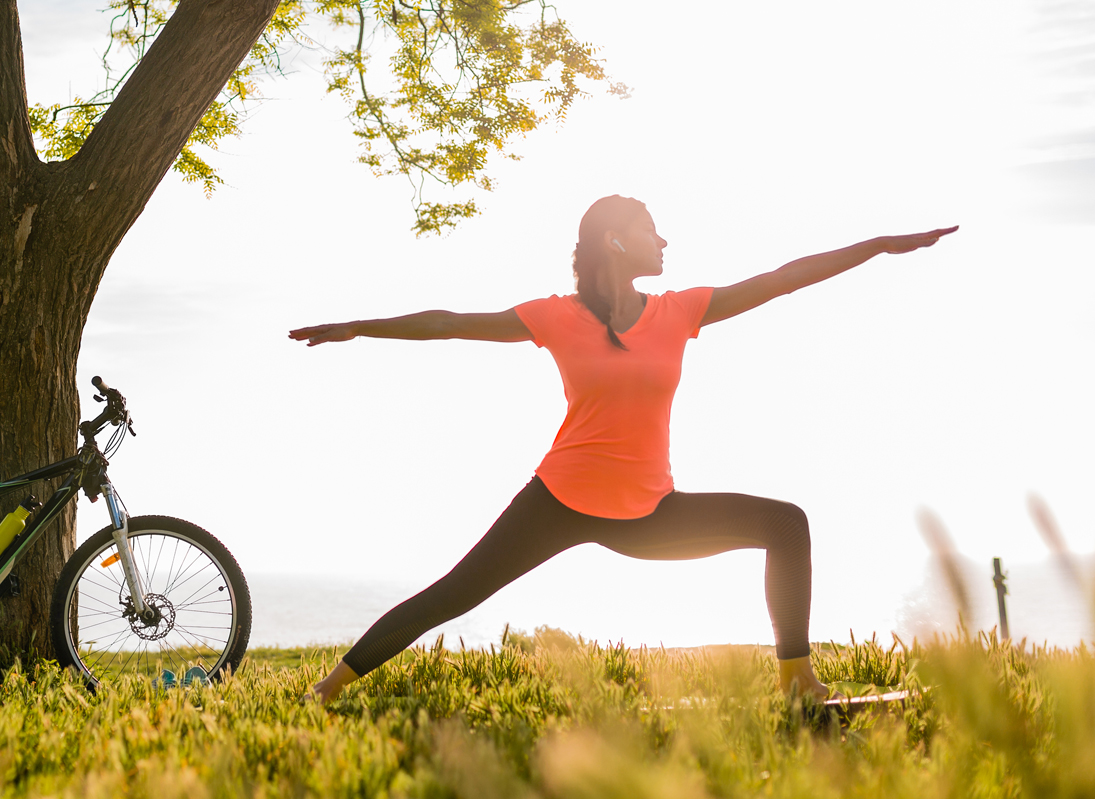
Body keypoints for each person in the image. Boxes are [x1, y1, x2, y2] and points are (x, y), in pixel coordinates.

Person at [288, 195, 957, 703]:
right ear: (614, 239)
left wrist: (875, 245)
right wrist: (357, 327)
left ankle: (797, 680)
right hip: (557, 501)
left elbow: (781, 278)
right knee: (452, 594)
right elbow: (449, 324)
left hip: (648, 514)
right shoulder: (556, 316)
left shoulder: (679, 312)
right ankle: (327, 688)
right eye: (648, 228)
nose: (663, 239)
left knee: (785, 523)